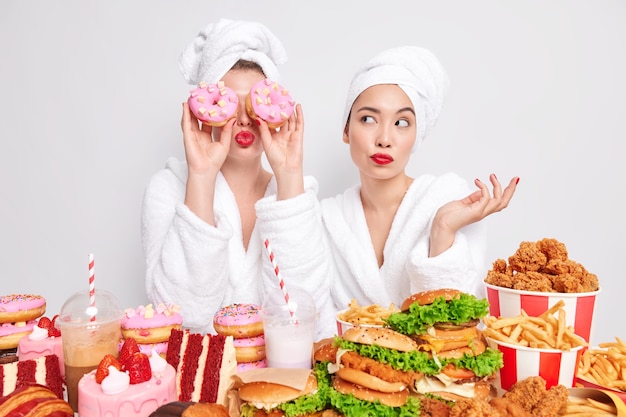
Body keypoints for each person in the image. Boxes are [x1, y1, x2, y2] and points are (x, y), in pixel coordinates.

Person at [141, 18, 331, 338]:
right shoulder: (168, 189)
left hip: (280, 376)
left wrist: (289, 176)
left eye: (255, 103)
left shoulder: (294, 196)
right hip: (199, 376)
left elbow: (304, 311)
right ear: (205, 110)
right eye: (229, 104)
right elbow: (179, 314)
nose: (244, 119)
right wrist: (201, 177)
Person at [321, 45, 519, 313]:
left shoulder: (446, 201)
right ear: (346, 130)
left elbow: (458, 319)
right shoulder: (329, 219)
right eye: (368, 119)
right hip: (348, 356)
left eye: (402, 123)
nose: (384, 139)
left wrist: (442, 231)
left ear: (417, 135)